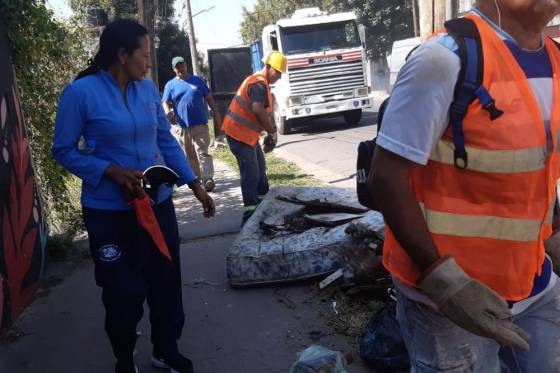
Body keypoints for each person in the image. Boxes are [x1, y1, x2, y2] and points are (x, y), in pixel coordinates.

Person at [368, 1, 560, 371]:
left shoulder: (555, 61)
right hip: (446, 302)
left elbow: (535, 168)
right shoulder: (442, 60)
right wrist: (445, 282)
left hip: (534, 284)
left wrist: (552, 234)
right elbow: (386, 179)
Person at [52, 20, 215, 373]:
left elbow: (164, 140)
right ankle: (124, 358)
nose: (148, 60)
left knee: (165, 281)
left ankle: (166, 349)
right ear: (122, 55)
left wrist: (194, 183)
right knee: (121, 291)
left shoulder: (147, 91)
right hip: (109, 213)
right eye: (143, 53)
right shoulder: (80, 93)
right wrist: (108, 170)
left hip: (156, 205)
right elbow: (63, 150)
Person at [221, 51, 287, 225]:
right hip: (238, 135)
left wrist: (266, 133)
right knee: (251, 175)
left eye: (281, 74)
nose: (279, 77)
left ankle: (263, 208)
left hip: (246, 136)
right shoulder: (258, 83)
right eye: (277, 72)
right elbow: (257, 109)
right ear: (268, 66)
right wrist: (272, 131)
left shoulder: (261, 83)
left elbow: (260, 114)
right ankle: (250, 218)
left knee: (260, 172)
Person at [162, 56, 222, 192]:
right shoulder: (170, 85)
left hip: (200, 124)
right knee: (190, 155)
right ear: (174, 69)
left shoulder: (197, 81)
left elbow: (209, 99)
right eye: (177, 67)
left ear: (186, 65)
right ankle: (198, 179)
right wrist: (168, 113)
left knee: (203, 152)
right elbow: (165, 102)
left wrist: (217, 115)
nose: (180, 69)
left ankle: (208, 179)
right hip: (182, 127)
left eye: (182, 65)